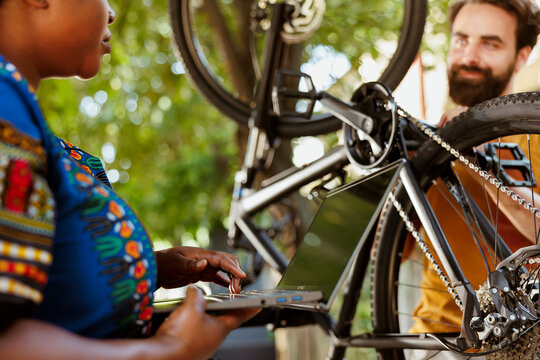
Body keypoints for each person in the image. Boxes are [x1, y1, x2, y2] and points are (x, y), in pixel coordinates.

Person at [0, 0, 259, 359]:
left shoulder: (26, 124)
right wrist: (170, 350)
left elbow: (55, 294)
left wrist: (147, 268)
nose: (111, 13)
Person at [409, 0, 540, 357]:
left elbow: (535, 226)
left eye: (490, 43)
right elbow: (386, 249)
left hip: (522, 339)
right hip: (437, 341)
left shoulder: (535, 137)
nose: (469, 56)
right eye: (461, 40)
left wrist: (470, 152)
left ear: (521, 56)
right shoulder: (427, 142)